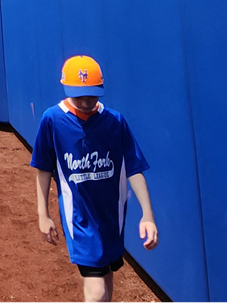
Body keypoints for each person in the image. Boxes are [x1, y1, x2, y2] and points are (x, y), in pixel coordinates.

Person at [31, 56, 159, 303]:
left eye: (92, 94)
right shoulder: (52, 120)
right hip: (79, 219)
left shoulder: (115, 121)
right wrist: (42, 214)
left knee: (107, 280)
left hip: (111, 219)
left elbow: (134, 168)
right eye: (79, 95)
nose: (87, 101)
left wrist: (148, 215)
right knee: (97, 293)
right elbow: (43, 169)